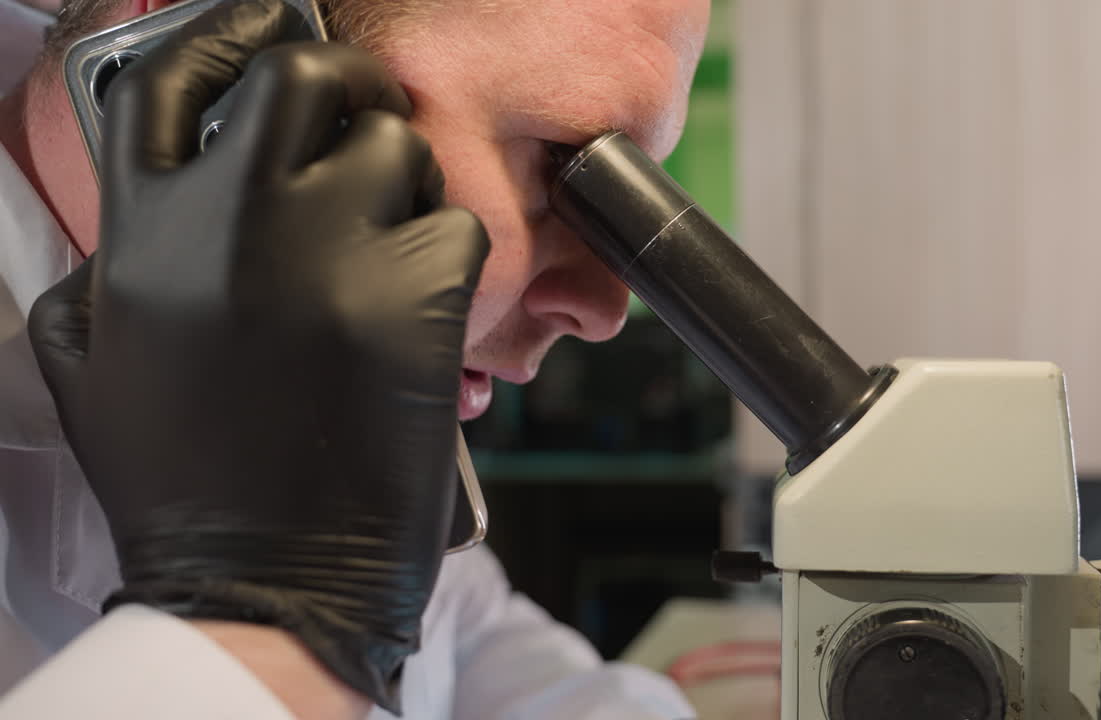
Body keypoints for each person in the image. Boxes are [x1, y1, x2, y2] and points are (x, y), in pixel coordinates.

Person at [0, 0, 709, 716]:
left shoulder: (328, 415)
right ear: (212, 44)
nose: (603, 309)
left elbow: (504, 673)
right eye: (562, 162)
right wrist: (265, 624)